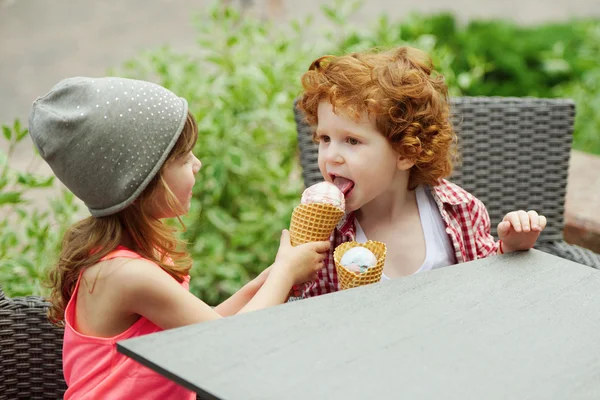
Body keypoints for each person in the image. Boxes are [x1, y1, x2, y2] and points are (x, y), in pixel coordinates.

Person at [29, 76, 329, 399]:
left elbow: (205, 328)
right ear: (141, 182)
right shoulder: (125, 275)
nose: (197, 165)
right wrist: (284, 274)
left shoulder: (128, 252)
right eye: (184, 158)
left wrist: (265, 282)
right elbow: (232, 346)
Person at [295, 46, 547, 298]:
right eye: (325, 139)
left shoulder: (459, 211)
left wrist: (512, 247)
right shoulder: (328, 234)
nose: (330, 156)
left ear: (406, 152)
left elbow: (486, 281)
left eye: (351, 141)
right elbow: (305, 306)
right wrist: (290, 272)